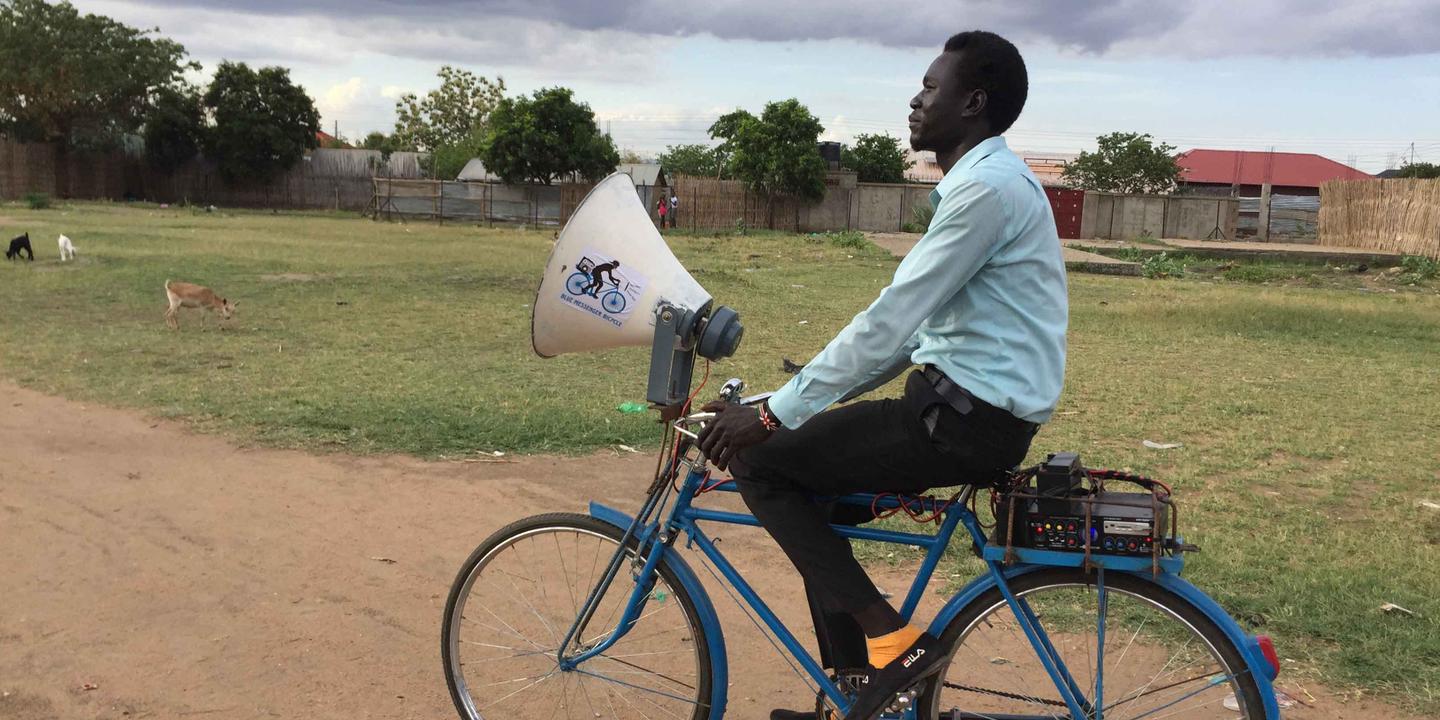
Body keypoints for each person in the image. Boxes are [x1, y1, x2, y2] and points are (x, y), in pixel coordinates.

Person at [696, 30, 1067, 720]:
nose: (915, 100)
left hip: (957, 422)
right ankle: (861, 692)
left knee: (764, 467)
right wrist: (791, 398)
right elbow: (919, 335)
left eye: (931, 88)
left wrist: (771, 419)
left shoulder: (984, 191)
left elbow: (890, 322)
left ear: (973, 102)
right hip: (966, 411)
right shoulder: (992, 183)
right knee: (822, 503)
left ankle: (895, 647)